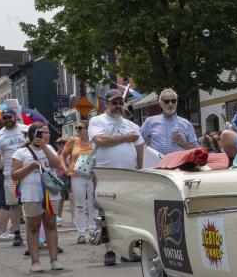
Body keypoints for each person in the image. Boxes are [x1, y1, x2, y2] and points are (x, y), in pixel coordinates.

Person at [89, 89, 145, 265]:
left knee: (126, 213)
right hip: (105, 173)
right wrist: (125, 138)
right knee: (106, 212)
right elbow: (99, 140)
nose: (118, 106)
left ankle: (126, 250)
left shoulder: (131, 124)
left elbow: (140, 147)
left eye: (120, 103)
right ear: (107, 104)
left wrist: (140, 169)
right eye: (114, 102)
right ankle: (110, 250)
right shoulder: (97, 120)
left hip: (128, 174)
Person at [12, 122, 63, 272]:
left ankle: (54, 260)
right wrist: (31, 166)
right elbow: (14, 174)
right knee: (33, 227)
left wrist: (45, 147)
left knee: (51, 225)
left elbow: (56, 164)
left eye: (47, 132)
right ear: (33, 134)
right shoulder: (21, 152)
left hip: (50, 193)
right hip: (31, 194)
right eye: (42, 132)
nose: (46, 135)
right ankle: (35, 262)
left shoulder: (50, 148)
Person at [0, 108, 26, 246]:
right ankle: (17, 234)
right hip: (10, 175)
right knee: (14, 205)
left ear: (15, 116)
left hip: (28, 173)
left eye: (9, 117)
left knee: (34, 203)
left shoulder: (25, 130)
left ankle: (39, 234)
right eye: (4, 118)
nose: (7, 120)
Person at [65, 121, 97, 244]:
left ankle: (94, 231)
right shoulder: (73, 141)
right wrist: (64, 168)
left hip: (91, 175)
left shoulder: (94, 142)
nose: (78, 130)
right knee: (79, 205)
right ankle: (81, 233)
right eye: (76, 128)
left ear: (87, 129)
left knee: (93, 204)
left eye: (80, 128)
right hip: (76, 175)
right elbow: (62, 155)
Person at [139, 88, 199, 156]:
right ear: (161, 104)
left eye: (173, 101)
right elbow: (138, 143)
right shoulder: (150, 122)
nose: (170, 104)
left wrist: (183, 143)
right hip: (157, 164)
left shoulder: (186, 124)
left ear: (176, 103)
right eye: (166, 101)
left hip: (179, 165)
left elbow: (196, 151)